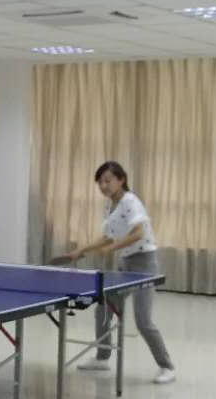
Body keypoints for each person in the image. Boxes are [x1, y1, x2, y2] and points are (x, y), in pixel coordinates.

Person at [68, 161, 176, 384]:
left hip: (144, 264)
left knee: (143, 321)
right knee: (104, 308)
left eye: (108, 180)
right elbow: (107, 237)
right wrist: (82, 250)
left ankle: (167, 366)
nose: (103, 185)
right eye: (100, 182)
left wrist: (113, 248)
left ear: (121, 180)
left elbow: (138, 233)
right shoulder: (110, 206)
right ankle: (102, 357)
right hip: (126, 263)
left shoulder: (130, 201)